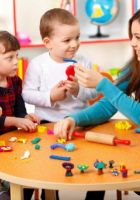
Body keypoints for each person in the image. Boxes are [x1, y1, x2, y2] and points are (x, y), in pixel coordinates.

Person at [53, 3, 140, 200]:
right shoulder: (139, 64)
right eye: (132, 36)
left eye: (138, 38)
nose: (132, 43)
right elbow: (108, 105)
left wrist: (103, 84)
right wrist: (74, 119)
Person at [22, 8, 99, 200]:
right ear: (47, 42)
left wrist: (78, 91)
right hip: (48, 124)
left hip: (81, 121)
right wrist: (50, 97)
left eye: (77, 37)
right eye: (67, 40)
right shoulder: (38, 64)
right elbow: (27, 94)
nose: (75, 44)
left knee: (96, 161)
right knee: (50, 166)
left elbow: (95, 91)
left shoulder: (83, 60)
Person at [0, 31, 40, 200]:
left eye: (17, 56)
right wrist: (17, 121)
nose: (16, 62)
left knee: (28, 175)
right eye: (9, 58)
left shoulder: (15, 81)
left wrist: (25, 118)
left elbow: (19, 109)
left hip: (11, 140)